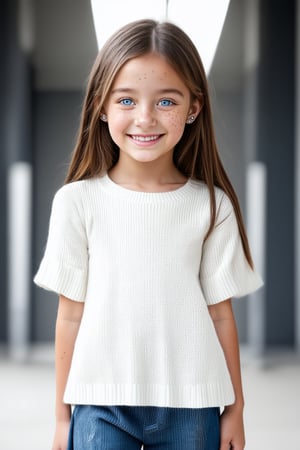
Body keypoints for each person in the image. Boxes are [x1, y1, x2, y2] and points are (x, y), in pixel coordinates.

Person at [34, 19, 263, 450]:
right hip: (99, 404)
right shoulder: (76, 202)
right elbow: (69, 315)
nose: (145, 118)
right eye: (126, 99)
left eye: (166, 101)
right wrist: (61, 417)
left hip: (192, 406)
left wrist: (236, 410)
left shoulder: (211, 205)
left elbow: (220, 314)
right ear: (101, 106)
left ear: (193, 108)